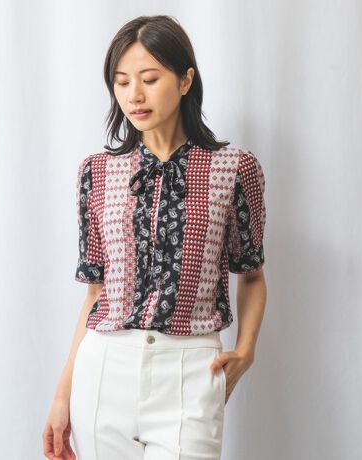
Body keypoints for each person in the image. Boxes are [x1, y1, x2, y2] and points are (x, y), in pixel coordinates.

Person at [42, 14, 267, 460]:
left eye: (149, 79)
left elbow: (252, 274)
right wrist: (62, 395)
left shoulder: (235, 169)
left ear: (185, 81)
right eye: (122, 82)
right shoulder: (96, 173)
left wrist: (246, 351)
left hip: (190, 370)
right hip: (103, 370)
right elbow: (96, 295)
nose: (134, 95)